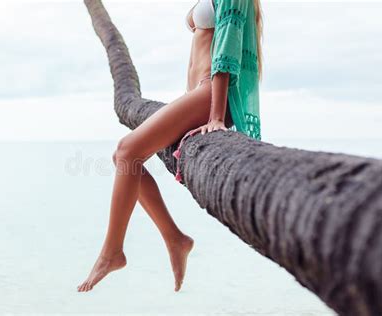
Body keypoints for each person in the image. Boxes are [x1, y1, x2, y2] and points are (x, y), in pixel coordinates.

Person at [77, 0, 263, 292]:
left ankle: (111, 253)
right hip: (198, 95)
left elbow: (227, 46)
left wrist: (215, 115)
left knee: (127, 151)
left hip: (209, 96)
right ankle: (175, 238)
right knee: (123, 157)